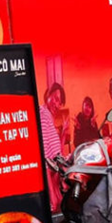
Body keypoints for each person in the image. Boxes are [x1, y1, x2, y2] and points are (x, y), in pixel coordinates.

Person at [39, 83, 67, 211]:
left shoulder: (48, 117)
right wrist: (52, 194)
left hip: (54, 177)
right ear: (48, 94)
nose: (57, 104)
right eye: (55, 99)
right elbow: (44, 157)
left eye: (60, 102)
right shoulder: (43, 114)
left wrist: (63, 135)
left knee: (61, 204)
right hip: (49, 178)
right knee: (56, 205)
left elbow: (57, 154)